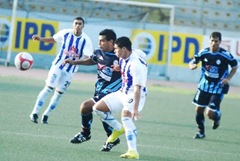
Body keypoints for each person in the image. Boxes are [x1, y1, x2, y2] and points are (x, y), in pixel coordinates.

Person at [63, 29, 122, 151]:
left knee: (85, 106)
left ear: (111, 42)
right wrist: (74, 62)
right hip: (100, 90)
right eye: (99, 41)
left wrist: (121, 68)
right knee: (103, 115)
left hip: (113, 93)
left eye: (102, 41)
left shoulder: (120, 56)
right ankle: (112, 138)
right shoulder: (99, 52)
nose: (99, 43)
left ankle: (85, 134)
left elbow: (131, 68)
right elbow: (92, 60)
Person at [29, 17, 94, 124]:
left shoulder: (86, 40)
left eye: (80, 24)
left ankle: (46, 115)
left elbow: (86, 57)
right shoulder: (65, 33)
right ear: (73, 24)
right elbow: (53, 39)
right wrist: (40, 39)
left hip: (70, 71)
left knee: (59, 93)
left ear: (83, 26)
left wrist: (75, 61)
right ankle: (34, 112)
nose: (78, 25)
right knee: (48, 88)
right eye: (76, 23)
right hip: (57, 66)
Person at [93, 36, 148, 159]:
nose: (114, 51)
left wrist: (134, 109)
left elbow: (137, 89)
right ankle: (118, 129)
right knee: (97, 108)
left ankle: (133, 151)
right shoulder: (127, 55)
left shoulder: (136, 65)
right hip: (122, 92)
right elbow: (143, 54)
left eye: (116, 49)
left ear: (124, 49)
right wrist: (119, 68)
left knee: (126, 117)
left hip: (134, 94)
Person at [189, 31, 238, 139]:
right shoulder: (204, 52)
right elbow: (192, 62)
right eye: (212, 41)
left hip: (218, 87)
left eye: (216, 41)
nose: (214, 43)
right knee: (198, 110)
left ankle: (217, 117)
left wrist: (228, 78)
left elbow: (235, 66)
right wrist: (192, 66)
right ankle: (201, 132)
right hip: (204, 86)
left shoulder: (225, 55)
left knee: (210, 113)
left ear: (220, 42)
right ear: (209, 40)